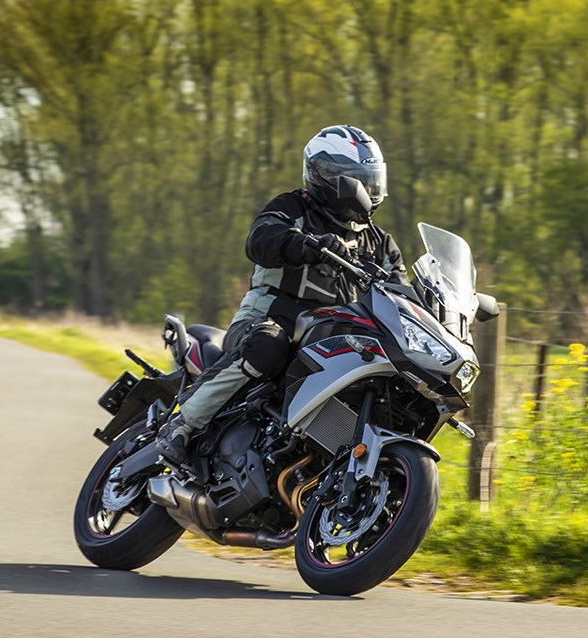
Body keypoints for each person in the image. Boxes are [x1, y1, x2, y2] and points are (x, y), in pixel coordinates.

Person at [154, 124, 409, 463]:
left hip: (335, 333)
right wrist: (307, 245)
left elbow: (402, 292)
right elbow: (260, 240)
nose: (370, 189)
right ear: (328, 176)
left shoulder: (379, 242)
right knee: (268, 346)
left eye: (372, 180)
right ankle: (182, 423)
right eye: (361, 180)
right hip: (272, 315)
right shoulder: (294, 207)